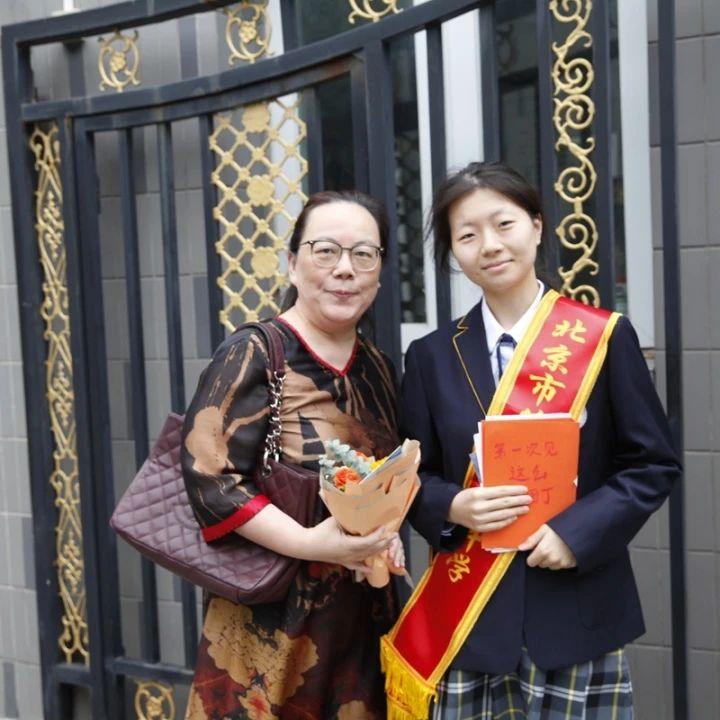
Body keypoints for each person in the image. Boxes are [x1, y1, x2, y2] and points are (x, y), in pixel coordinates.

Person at [385, 162, 681, 720]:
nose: (490, 246)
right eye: (467, 235)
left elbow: (651, 464)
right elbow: (411, 473)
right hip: (471, 624)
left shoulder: (602, 336)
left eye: (504, 224)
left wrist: (577, 535)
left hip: (576, 609)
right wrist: (451, 504)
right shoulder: (431, 356)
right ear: (453, 253)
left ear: (537, 225)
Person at [181, 190, 404, 720]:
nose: (344, 269)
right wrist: (309, 542)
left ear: (379, 273)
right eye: (325, 251)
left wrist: (385, 531)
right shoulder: (256, 352)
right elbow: (211, 478)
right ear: (292, 263)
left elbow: (384, 476)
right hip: (271, 623)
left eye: (363, 254)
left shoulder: (377, 366)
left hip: (361, 616)